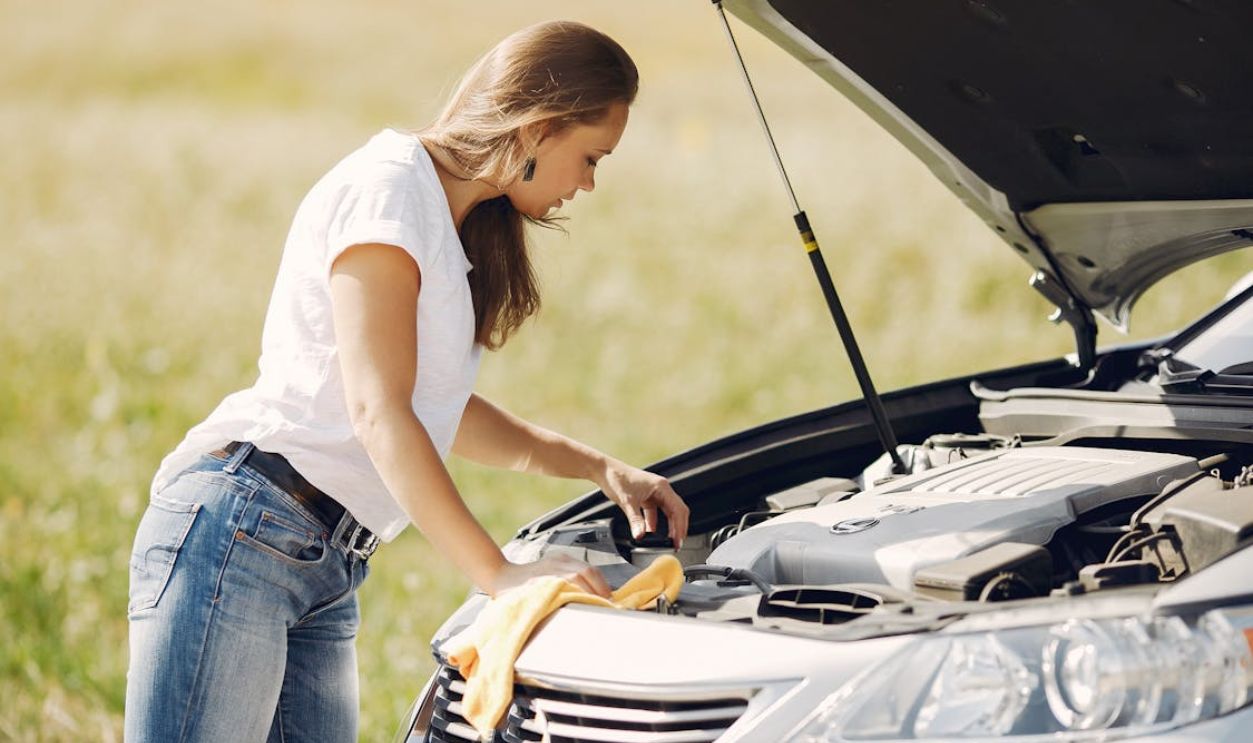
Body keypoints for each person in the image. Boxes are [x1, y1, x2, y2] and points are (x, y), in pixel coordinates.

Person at [124, 20, 690, 742]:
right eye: (590, 156)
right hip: (243, 534)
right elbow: (378, 410)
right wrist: (499, 574)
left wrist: (602, 469)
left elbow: (437, 410)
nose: (587, 182)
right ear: (541, 128)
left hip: (325, 564)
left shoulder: (450, 220)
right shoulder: (388, 191)